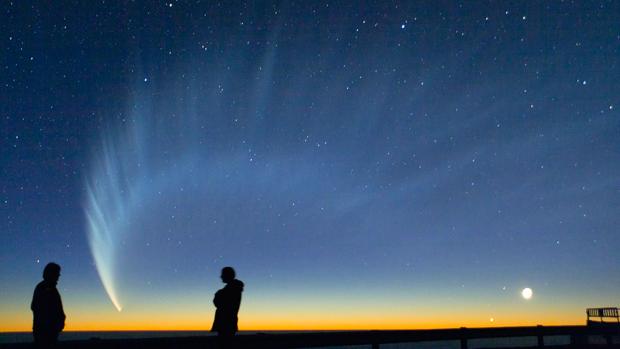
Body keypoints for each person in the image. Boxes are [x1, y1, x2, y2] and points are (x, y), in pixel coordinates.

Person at [31, 263, 65, 348]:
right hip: (45, 334)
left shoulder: (51, 288)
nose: (59, 276)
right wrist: (54, 323)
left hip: (49, 332)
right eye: (57, 273)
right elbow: (37, 308)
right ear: (51, 274)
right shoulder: (43, 288)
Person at [211, 266, 244, 349]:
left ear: (227, 275)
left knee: (225, 344)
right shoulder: (233, 288)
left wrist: (217, 294)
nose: (221, 276)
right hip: (228, 322)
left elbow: (220, 304)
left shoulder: (231, 289)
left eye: (222, 274)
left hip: (226, 322)